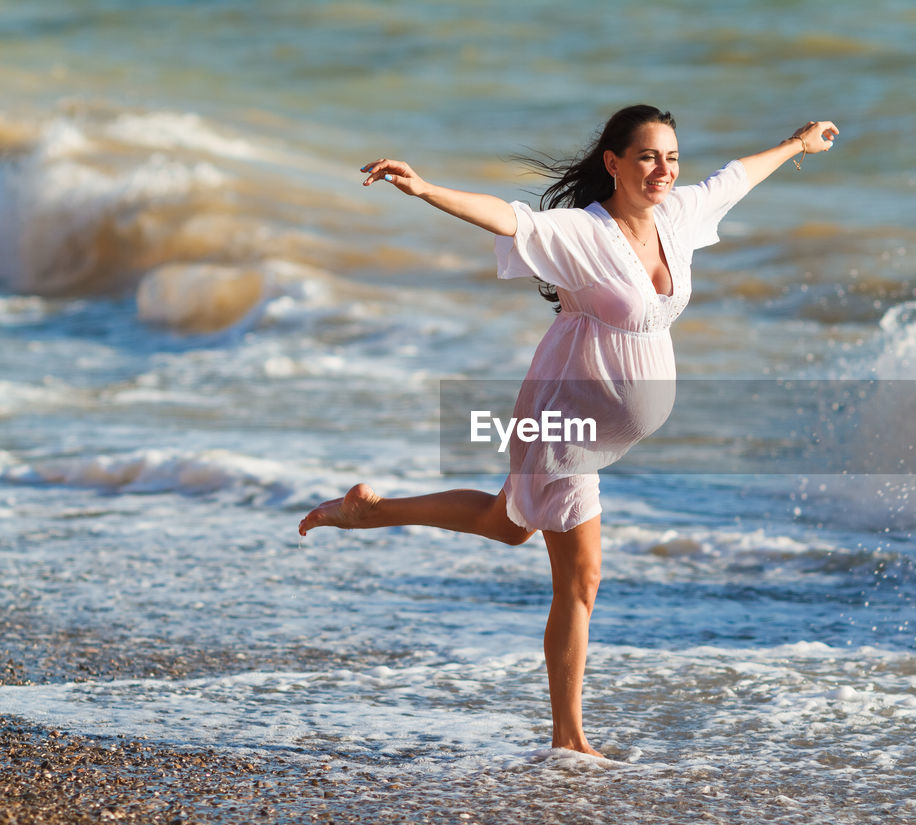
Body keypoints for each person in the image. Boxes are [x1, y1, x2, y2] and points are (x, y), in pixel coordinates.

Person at [298, 105, 838, 757]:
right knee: (577, 580)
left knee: (509, 522)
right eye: (646, 157)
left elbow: (736, 177)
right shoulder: (583, 233)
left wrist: (798, 144)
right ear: (613, 163)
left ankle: (370, 510)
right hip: (564, 415)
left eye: (670, 156)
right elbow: (509, 217)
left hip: (600, 431)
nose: (662, 169)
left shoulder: (679, 216)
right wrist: (424, 188)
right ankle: (569, 739)